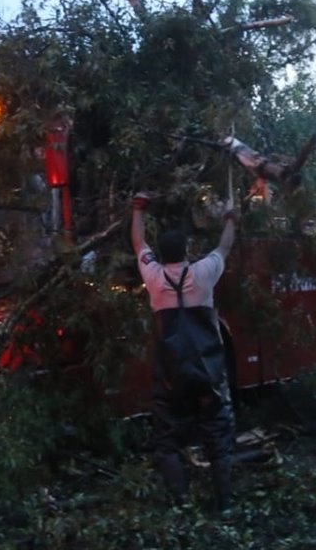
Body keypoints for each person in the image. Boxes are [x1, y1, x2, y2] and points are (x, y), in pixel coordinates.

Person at [131, 192, 238, 511]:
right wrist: (231, 220)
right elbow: (224, 247)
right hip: (207, 370)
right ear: (187, 252)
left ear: (162, 255)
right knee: (217, 439)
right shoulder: (203, 273)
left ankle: (181, 505)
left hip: (171, 374)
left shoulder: (153, 277)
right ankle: (225, 504)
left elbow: (138, 244)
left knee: (168, 442)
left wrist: (137, 209)